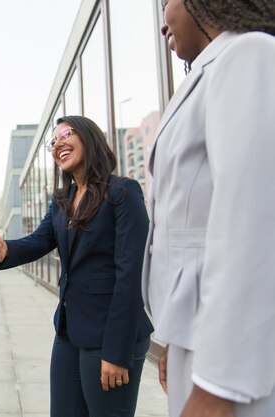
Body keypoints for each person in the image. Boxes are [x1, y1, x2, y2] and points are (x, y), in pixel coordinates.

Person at [142, 1, 275, 416]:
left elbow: (251, 225)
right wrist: (174, 340)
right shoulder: (208, 72)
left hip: (236, 365)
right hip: (197, 338)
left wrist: (218, 385)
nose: (163, 15)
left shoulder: (249, 55)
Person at [0, 115, 153, 417]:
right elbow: (38, 241)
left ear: (89, 137)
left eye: (66, 134)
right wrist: (3, 249)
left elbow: (131, 276)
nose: (57, 143)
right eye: (53, 141)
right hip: (69, 332)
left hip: (110, 336)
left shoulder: (123, 192)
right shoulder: (63, 199)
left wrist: (117, 351)